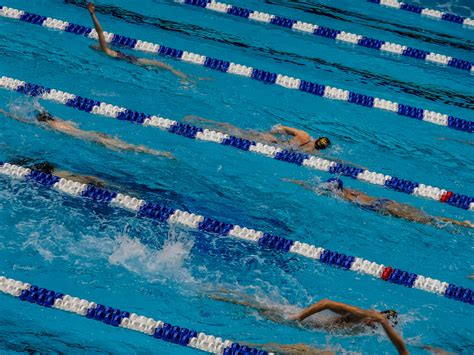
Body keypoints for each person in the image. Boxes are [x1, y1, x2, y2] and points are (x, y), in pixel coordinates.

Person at [210, 292, 408, 355]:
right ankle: (219, 296)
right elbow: (326, 303)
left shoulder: (367, 329)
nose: (376, 327)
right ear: (376, 318)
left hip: (309, 326)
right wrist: (298, 318)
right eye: (379, 323)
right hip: (305, 321)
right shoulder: (359, 315)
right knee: (255, 308)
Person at [286, 178, 473, 229]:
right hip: (386, 202)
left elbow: (315, 189)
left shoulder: (345, 197)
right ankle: (460, 223)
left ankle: (460, 225)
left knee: (427, 221)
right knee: (428, 218)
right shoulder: (354, 191)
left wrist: (299, 183)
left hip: (383, 207)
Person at [0, 108, 173, 159]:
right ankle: (152, 151)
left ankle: (156, 153)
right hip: (93, 133)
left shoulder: (52, 127)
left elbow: (24, 121)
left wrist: (5, 113)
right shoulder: (60, 122)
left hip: (91, 138)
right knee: (125, 145)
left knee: (125, 148)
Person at [87, 2, 190, 84]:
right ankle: (183, 77)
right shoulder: (107, 51)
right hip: (135, 61)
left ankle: (183, 77)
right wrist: (92, 14)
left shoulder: (108, 52)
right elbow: (99, 31)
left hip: (134, 61)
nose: (97, 45)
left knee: (163, 66)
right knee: (163, 66)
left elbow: (100, 35)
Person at [183, 115, 331, 153]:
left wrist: (271, 132)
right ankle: (202, 121)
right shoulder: (312, 152)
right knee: (233, 133)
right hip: (272, 145)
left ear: (317, 138)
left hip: (271, 140)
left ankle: (202, 121)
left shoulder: (304, 135)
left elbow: (282, 128)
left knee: (234, 131)